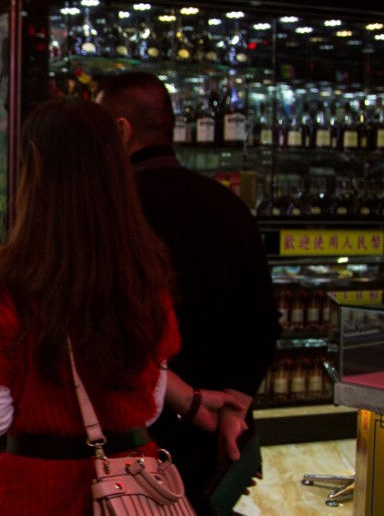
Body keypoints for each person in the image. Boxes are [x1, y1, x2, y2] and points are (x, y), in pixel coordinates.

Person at [0, 97, 243, 515]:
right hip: (136, 488)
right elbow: (152, 404)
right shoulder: (146, 271)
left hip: (34, 491)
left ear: (34, 169)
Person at [96, 71, 282, 514]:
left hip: (140, 443)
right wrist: (234, 409)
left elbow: (110, 335)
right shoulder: (228, 205)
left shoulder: (113, 213)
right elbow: (263, 326)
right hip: (219, 440)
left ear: (120, 131)